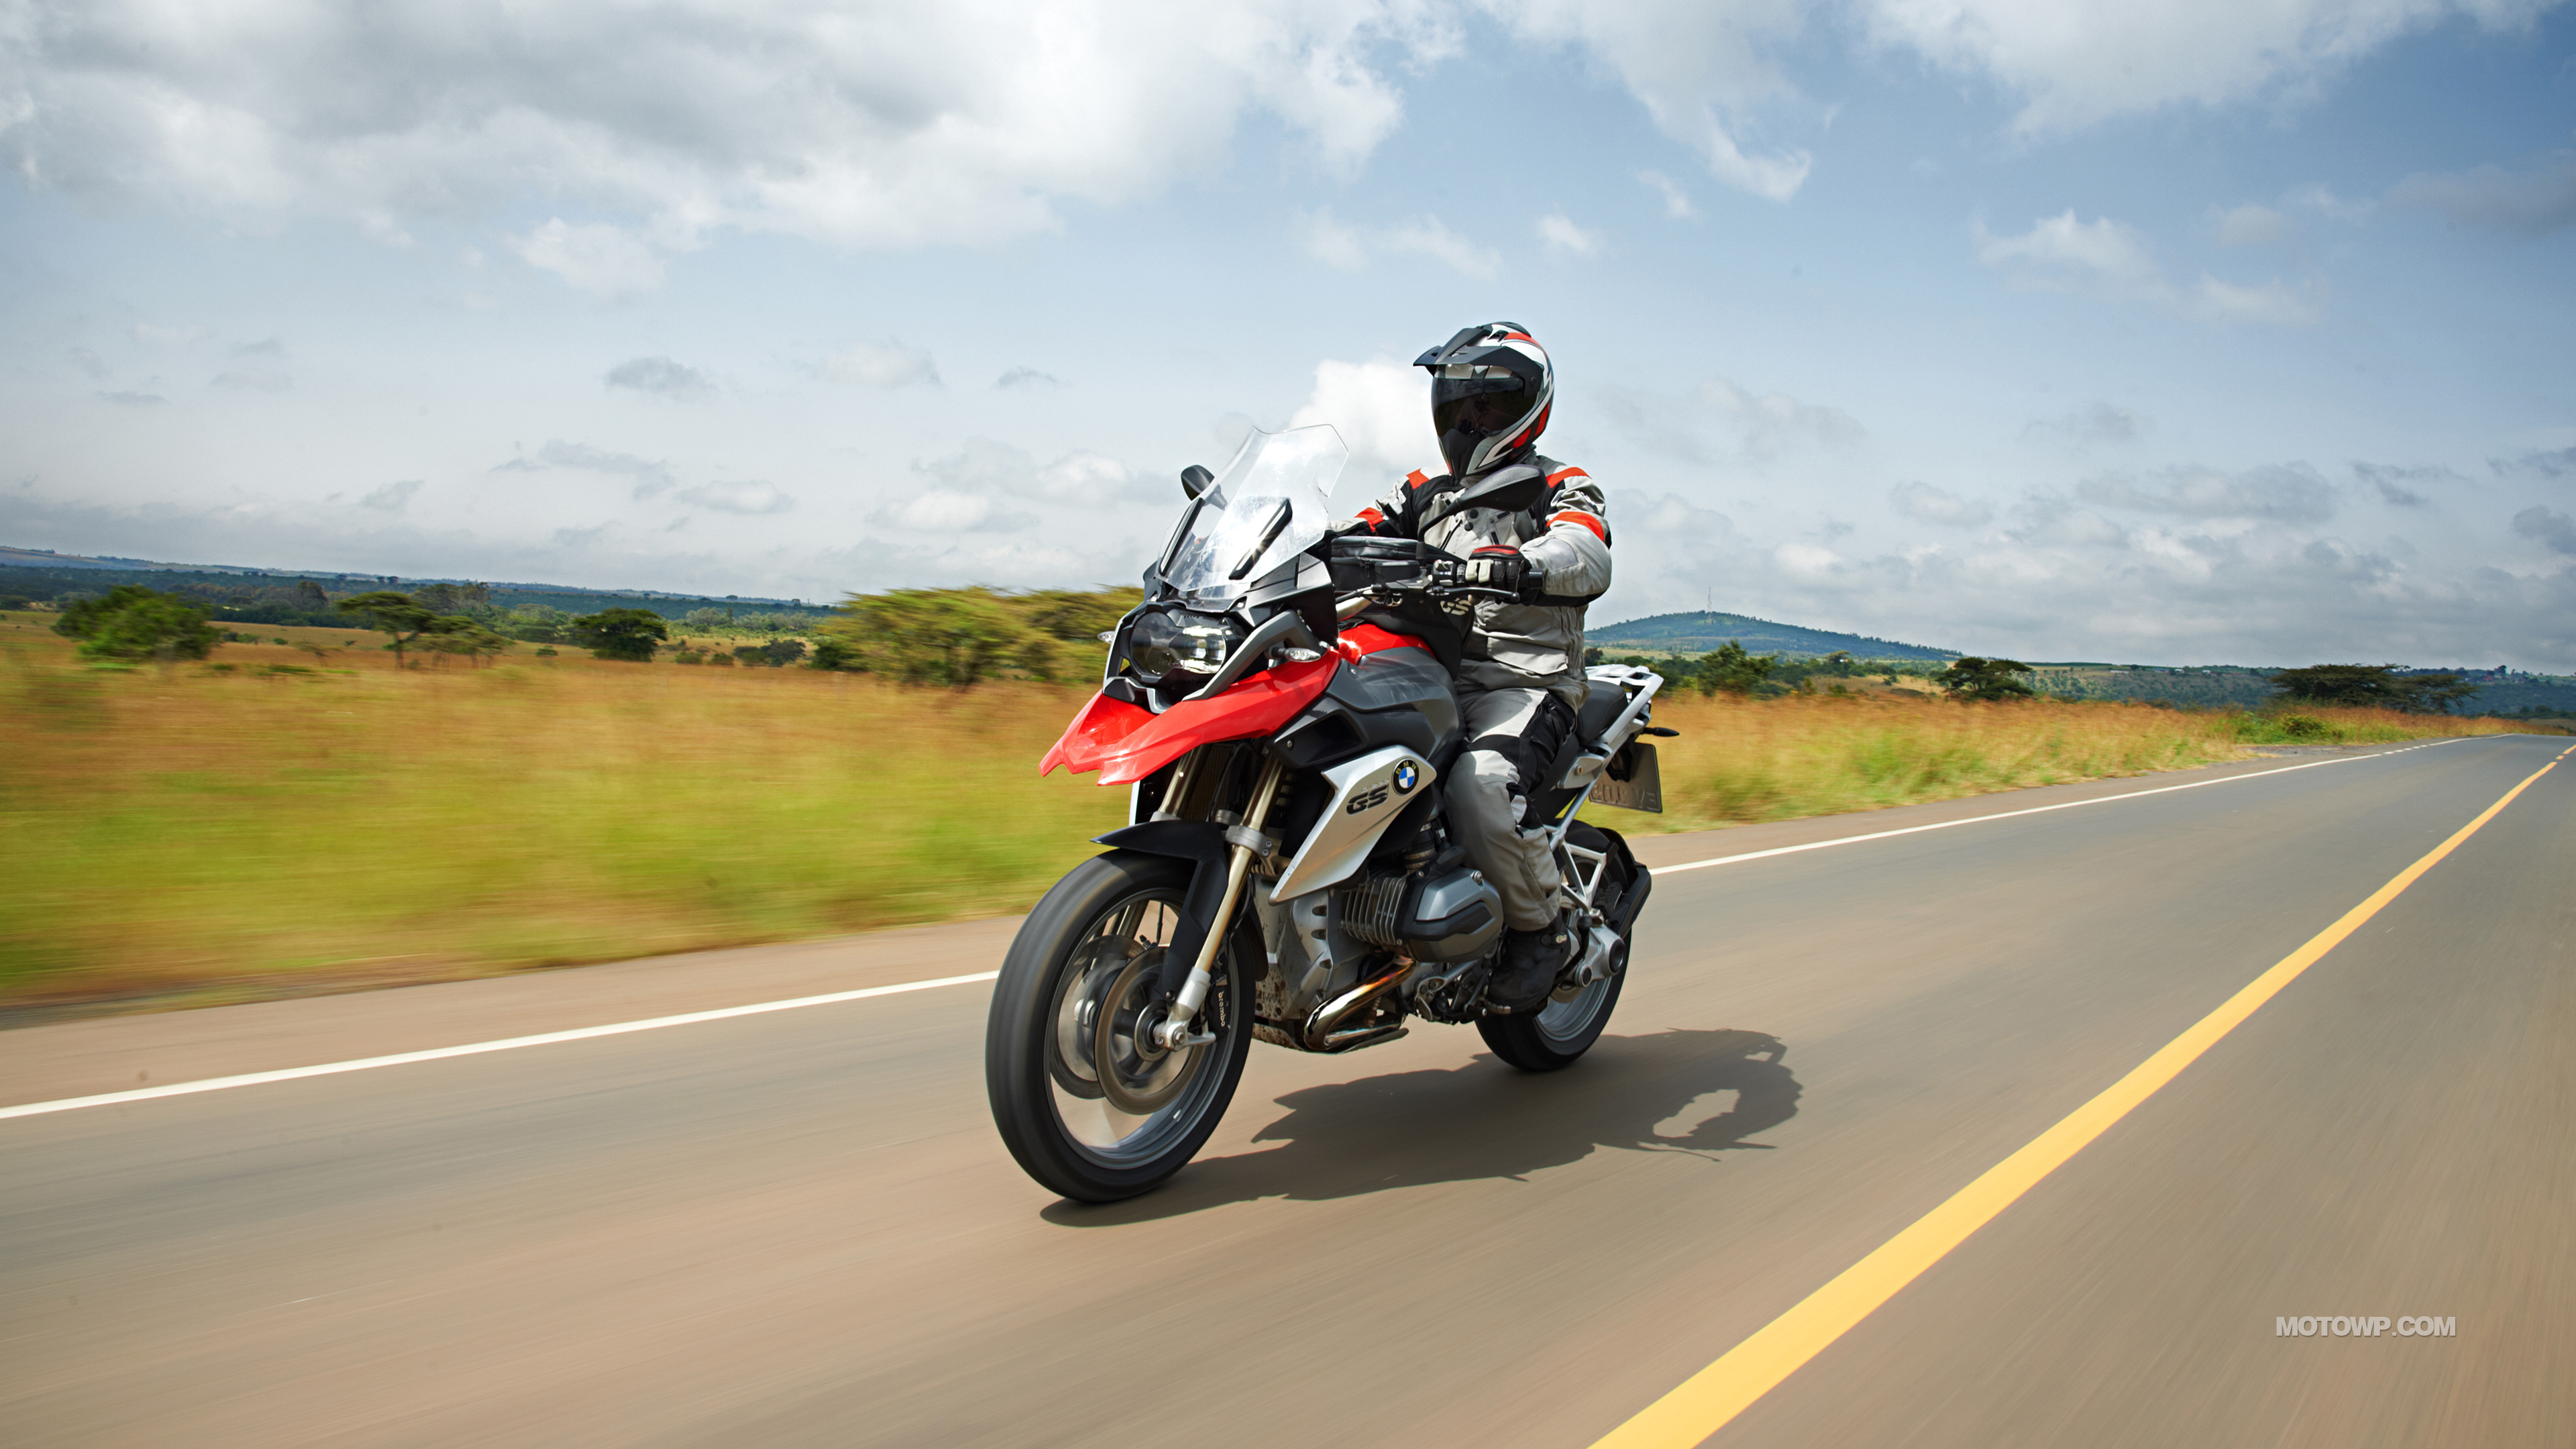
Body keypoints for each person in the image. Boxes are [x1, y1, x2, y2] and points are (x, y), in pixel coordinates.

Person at [1338, 321, 1612, 1012]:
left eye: (1485, 406)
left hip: (1521, 681)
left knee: (1481, 783)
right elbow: (1345, 540)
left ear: (1526, 408)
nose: (1467, 420)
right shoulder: (1420, 492)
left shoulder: (1559, 485)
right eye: (1458, 405)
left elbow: (1587, 550)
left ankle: (1542, 932)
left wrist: (1519, 567)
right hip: (1417, 666)